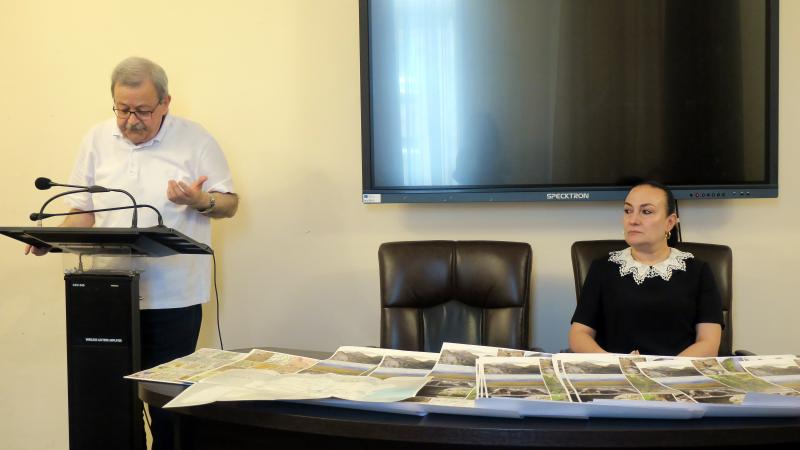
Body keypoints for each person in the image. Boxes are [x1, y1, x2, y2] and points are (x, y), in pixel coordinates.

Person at [25, 56, 238, 450]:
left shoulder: (196, 139)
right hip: (107, 295)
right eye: (122, 109)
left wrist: (199, 200)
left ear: (165, 102)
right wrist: (52, 239)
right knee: (109, 406)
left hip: (173, 298)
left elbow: (229, 203)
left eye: (142, 110)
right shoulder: (96, 138)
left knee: (168, 408)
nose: (131, 120)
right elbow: (84, 211)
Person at [568, 181, 723, 357]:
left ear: (670, 222)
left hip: (679, 370)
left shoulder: (698, 271)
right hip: (615, 370)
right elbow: (578, 335)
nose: (633, 220)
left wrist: (667, 368)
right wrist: (615, 363)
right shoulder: (602, 268)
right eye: (628, 211)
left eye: (646, 212)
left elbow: (708, 343)